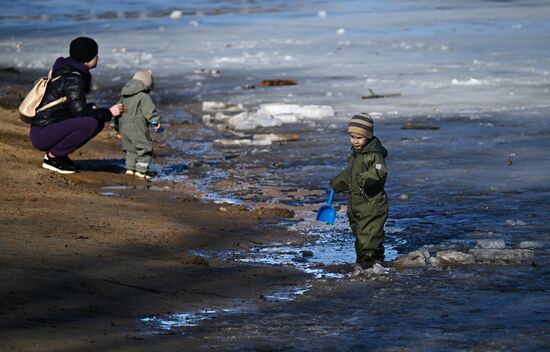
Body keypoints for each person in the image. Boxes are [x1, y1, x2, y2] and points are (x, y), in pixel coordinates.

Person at [29, 37, 124, 174]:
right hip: (43, 133)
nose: (97, 56)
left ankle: (60, 156)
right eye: (95, 53)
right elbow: (81, 113)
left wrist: (91, 107)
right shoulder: (73, 78)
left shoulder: (67, 71)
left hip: (43, 129)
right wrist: (109, 113)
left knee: (93, 116)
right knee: (92, 123)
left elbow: (68, 108)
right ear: (87, 57)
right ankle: (53, 158)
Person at [330, 113, 389, 277]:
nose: (355, 141)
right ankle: (365, 261)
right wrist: (338, 182)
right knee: (359, 233)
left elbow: (379, 172)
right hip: (356, 204)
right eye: (352, 136)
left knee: (369, 235)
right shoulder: (357, 154)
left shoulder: (374, 155)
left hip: (372, 203)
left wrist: (366, 177)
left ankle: (371, 262)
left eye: (359, 137)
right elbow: (350, 174)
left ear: (368, 136)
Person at [116, 69, 161, 179]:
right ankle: (141, 171)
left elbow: (117, 112)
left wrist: (117, 128)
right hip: (138, 127)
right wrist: (155, 122)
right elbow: (149, 110)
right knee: (145, 148)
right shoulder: (143, 96)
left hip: (125, 128)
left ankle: (130, 169)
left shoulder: (124, 96)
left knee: (131, 150)